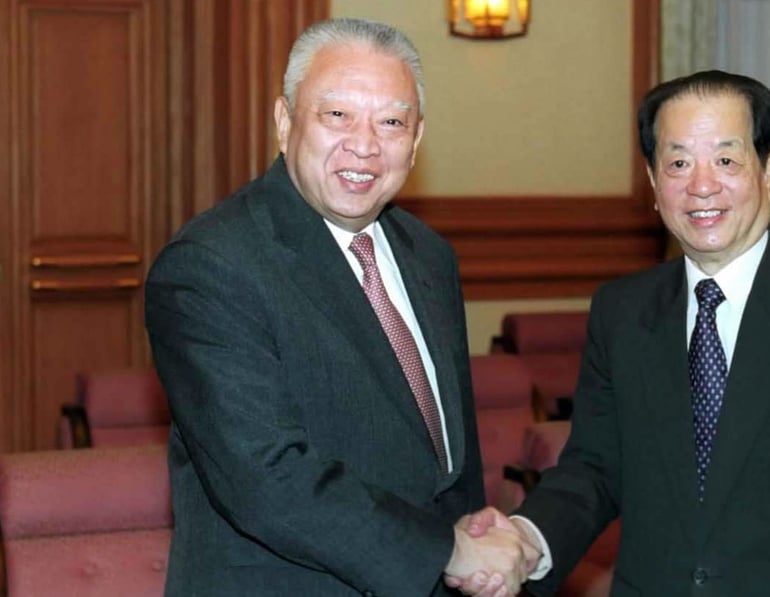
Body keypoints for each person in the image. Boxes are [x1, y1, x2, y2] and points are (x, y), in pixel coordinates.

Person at [459, 70, 770, 595]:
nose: (702, 185)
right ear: (653, 182)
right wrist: (526, 539)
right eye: (679, 162)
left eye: (726, 160)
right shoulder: (622, 311)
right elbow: (596, 467)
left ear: (768, 170)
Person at [145, 17, 537, 596]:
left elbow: (447, 459)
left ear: (417, 139)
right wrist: (449, 551)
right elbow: (266, 479)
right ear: (284, 122)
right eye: (337, 115)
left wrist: (476, 549)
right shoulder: (210, 265)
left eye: (391, 122)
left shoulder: (429, 256)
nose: (365, 144)